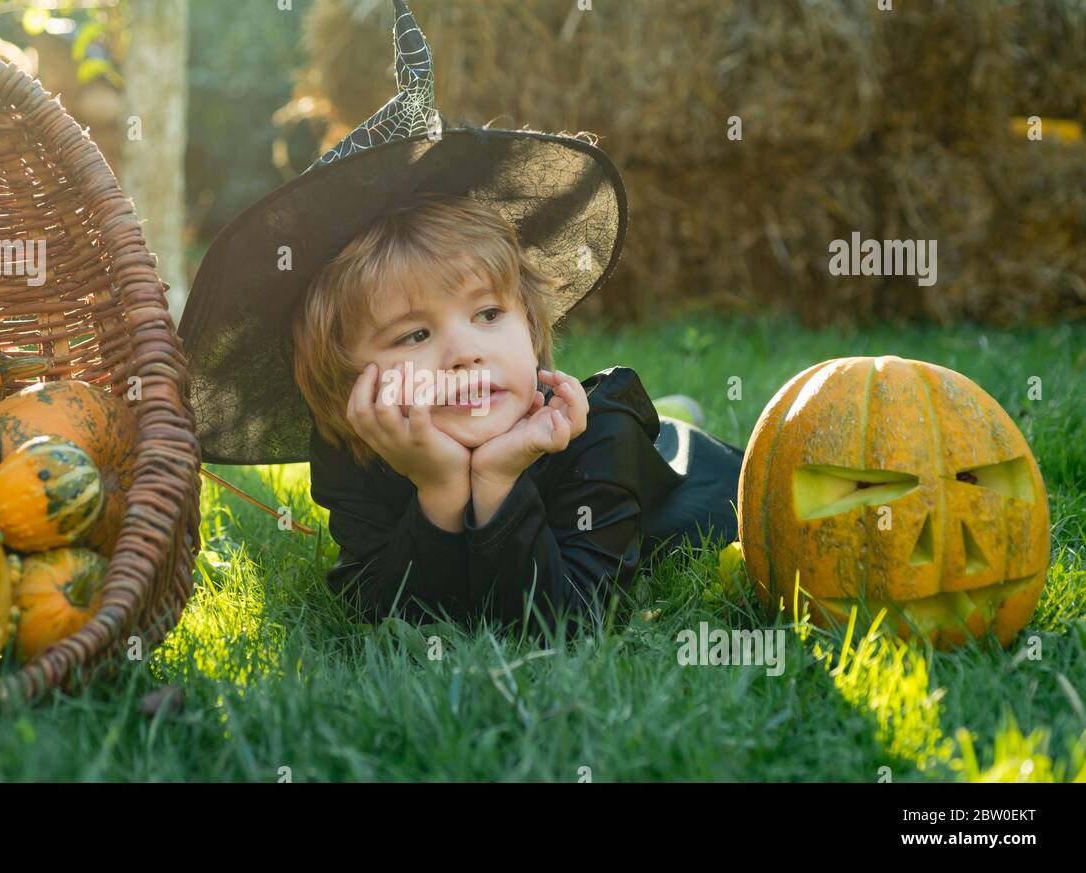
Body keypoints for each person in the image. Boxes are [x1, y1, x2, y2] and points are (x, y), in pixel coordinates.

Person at [178, 0, 742, 639]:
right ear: (346, 381)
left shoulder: (597, 439)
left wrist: (498, 478)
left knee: (671, 447)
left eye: (488, 313)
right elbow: (393, 613)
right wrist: (441, 488)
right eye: (415, 334)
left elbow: (562, 624)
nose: (465, 352)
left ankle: (673, 425)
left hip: (707, 485)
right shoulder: (357, 455)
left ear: (529, 327)